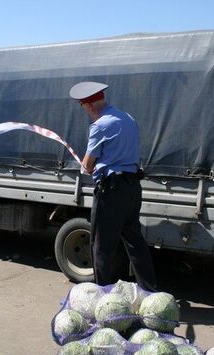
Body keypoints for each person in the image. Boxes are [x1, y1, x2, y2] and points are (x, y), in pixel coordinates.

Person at [69, 81, 157, 291]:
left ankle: (103, 295)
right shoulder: (128, 119)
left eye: (84, 108)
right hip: (132, 187)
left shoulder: (100, 126)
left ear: (88, 106)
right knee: (134, 241)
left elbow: (88, 165)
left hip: (112, 191)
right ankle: (150, 291)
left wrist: (87, 165)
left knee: (101, 246)